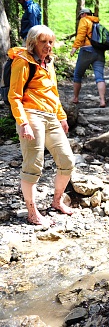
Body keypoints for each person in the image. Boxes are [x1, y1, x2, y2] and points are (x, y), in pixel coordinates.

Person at [7, 25, 75, 227]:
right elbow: (15, 95)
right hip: (31, 115)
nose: (48, 46)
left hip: (51, 116)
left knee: (67, 160)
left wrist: (61, 116)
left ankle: (56, 202)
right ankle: (32, 211)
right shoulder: (23, 61)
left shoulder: (49, 62)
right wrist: (23, 122)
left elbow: (53, 92)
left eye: (50, 42)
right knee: (33, 166)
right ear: (33, 42)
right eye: (43, 41)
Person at [70, 8, 107, 108]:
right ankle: (102, 100)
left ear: (84, 14)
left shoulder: (84, 20)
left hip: (87, 50)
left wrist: (74, 48)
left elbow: (81, 34)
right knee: (99, 76)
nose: (80, 17)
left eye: (81, 15)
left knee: (77, 74)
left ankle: (75, 98)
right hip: (99, 51)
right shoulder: (96, 22)